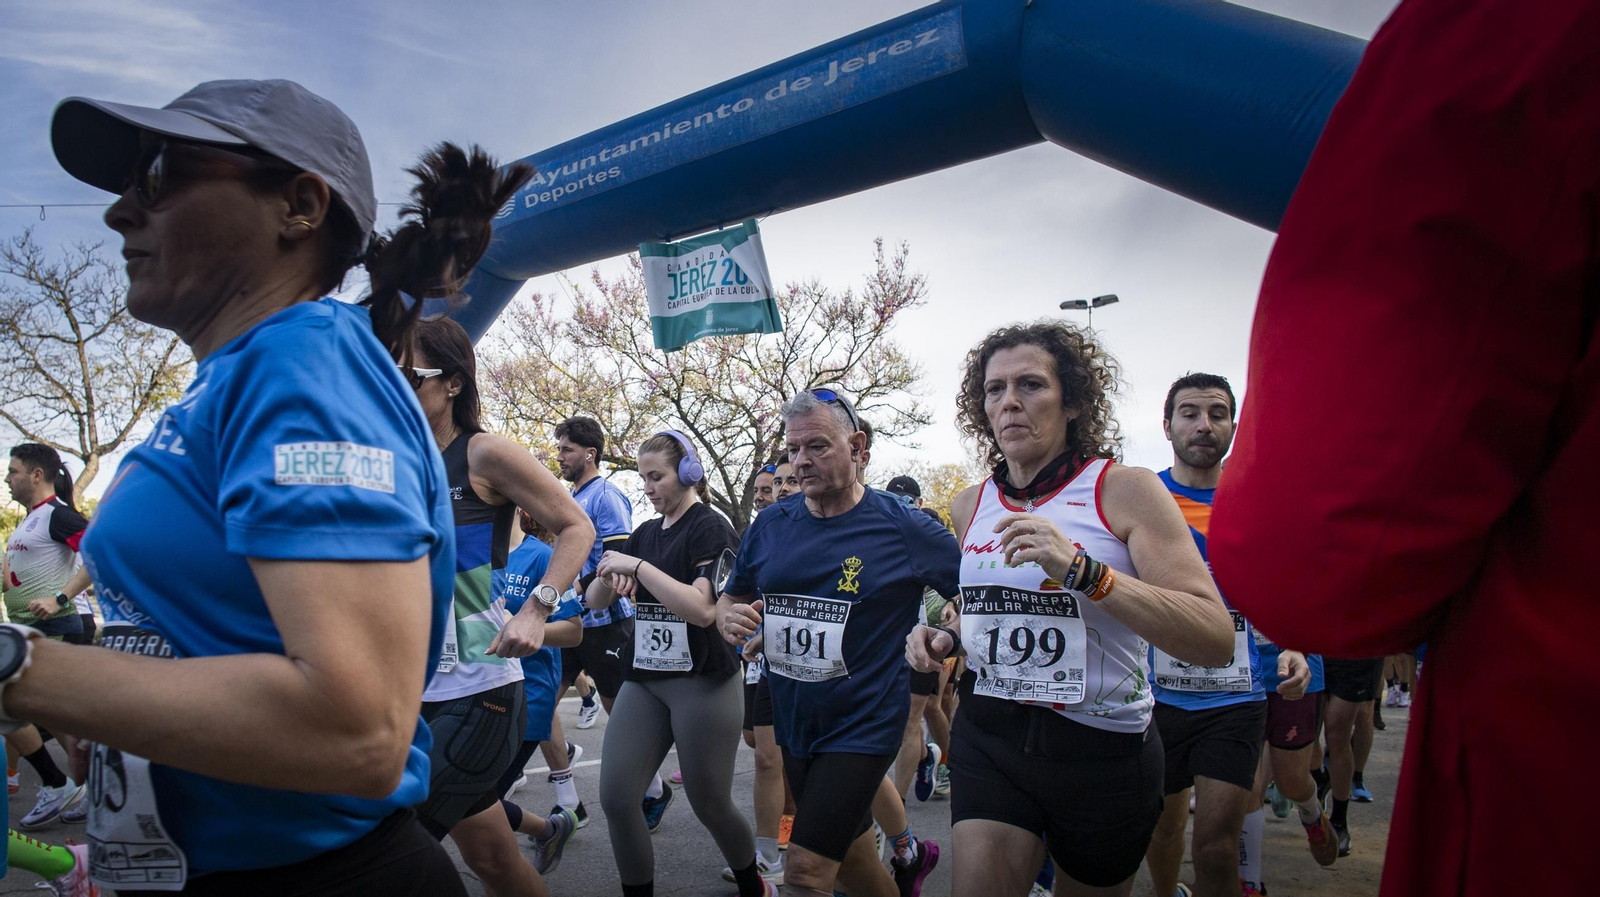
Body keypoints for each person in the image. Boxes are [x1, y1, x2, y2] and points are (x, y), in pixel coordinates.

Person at [21, 78, 526, 894]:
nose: (120, 212)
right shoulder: (238, 377)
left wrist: (24, 668)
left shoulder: (301, 362)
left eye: (156, 176)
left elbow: (355, 729)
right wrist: (120, 711)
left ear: (298, 204)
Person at [1207, 4, 1600, 893]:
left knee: (1344, 719)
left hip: (1550, 793)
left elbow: (1322, 560)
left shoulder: (1513, 36)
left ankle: (1328, 808)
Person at [905, 322, 1235, 897]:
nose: (1009, 401)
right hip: (992, 736)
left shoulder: (1124, 489)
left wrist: (1085, 572)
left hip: (1102, 753)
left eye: (1030, 384)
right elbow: (993, 609)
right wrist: (950, 638)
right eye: (994, 389)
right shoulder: (969, 503)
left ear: (1075, 401)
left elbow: (1212, 636)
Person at [721, 388, 955, 897]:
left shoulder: (903, 525)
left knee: (805, 872)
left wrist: (945, 632)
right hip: (797, 718)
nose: (801, 462)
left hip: (865, 722)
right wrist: (732, 621)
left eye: (817, 447)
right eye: (793, 450)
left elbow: (979, 595)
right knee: (853, 862)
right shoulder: (771, 526)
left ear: (858, 448)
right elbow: (731, 599)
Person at [408, 317, 594, 897]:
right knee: (493, 857)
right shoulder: (393, 458)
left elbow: (576, 526)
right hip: (406, 689)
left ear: (454, 383)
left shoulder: (482, 453)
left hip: (476, 683)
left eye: (409, 374)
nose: (392, 384)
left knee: (395, 850)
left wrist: (537, 609)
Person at [585, 430, 770, 897]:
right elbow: (592, 599)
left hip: (702, 680)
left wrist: (640, 569)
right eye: (642, 477)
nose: (647, 487)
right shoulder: (645, 533)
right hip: (645, 677)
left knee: (710, 802)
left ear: (687, 474)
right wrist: (610, 572)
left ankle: (753, 882)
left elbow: (703, 609)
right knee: (616, 798)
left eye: (657, 476)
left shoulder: (710, 526)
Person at [1143, 373, 1305, 897]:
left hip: (1236, 699)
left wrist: (1293, 645)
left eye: (1217, 413)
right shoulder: (1144, 501)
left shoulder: (1260, 501)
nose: (1203, 425)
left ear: (1235, 425)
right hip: (1155, 699)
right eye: (1189, 413)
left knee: (1215, 846)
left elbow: (1281, 589)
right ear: (1166, 426)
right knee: (1163, 830)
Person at [548, 415, 641, 826]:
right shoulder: (568, 496)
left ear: (590, 453)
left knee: (616, 709)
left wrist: (578, 594)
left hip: (607, 621)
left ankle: (653, 789)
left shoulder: (607, 496)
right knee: (541, 702)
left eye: (566, 449)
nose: (560, 456)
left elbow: (616, 559)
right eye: (559, 448)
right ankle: (569, 800)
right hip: (570, 621)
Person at [491, 510, 582, 875]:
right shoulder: (473, 553)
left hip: (528, 692)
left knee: (473, 801)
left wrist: (524, 627)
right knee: (469, 800)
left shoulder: (543, 557)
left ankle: (545, 834)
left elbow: (574, 631)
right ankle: (550, 830)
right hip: (477, 689)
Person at [3, 445, 88, 829]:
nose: (7, 479)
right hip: (26, 628)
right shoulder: (29, 521)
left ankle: (58, 784)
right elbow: (14, 580)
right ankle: (84, 787)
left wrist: (59, 598)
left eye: (14, 471)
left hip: (55, 628)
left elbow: (102, 553)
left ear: (37, 475)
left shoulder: (58, 516)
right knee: (56, 718)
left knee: (12, 703)